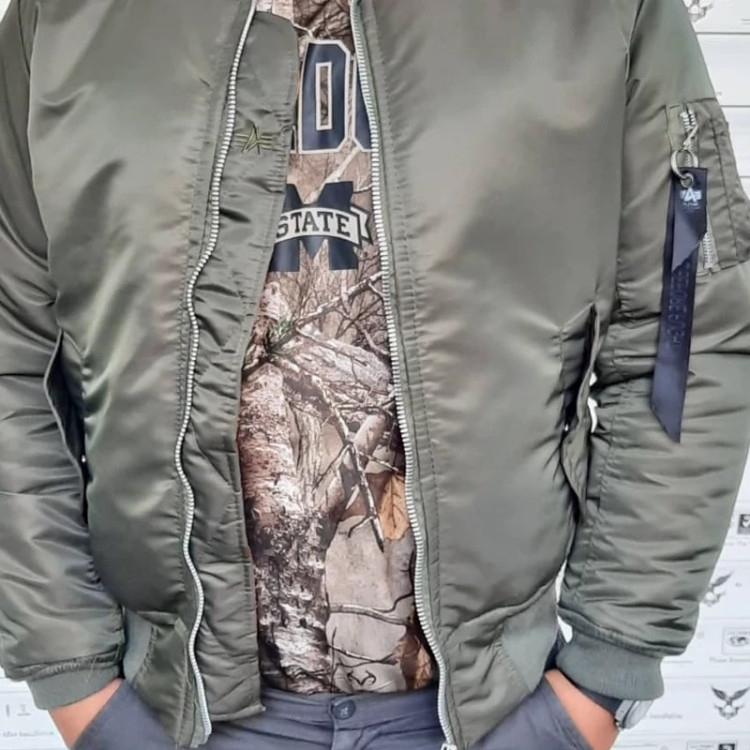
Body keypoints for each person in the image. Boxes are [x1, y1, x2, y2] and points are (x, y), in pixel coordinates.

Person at [1, 0, 749, 748]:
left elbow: (687, 328)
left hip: (493, 711)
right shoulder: (66, 18)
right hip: (170, 711)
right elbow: (11, 348)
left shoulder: (600, 13)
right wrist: (76, 683)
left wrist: (604, 673)